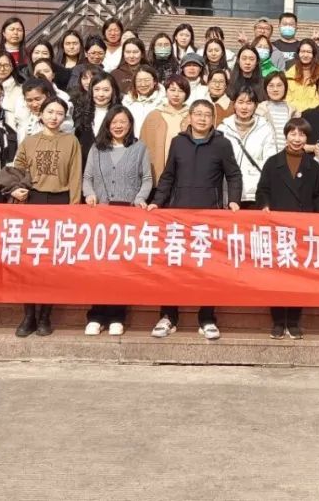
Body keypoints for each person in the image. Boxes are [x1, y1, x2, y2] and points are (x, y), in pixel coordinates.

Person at [147, 100, 242, 341]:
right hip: (178, 215)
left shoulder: (222, 144)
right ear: (189, 117)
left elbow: (233, 175)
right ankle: (168, 316)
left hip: (209, 216)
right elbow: (168, 175)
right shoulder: (178, 142)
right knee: (173, 267)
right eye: (197, 114)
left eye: (207, 115)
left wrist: (233, 200)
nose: (202, 118)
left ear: (213, 119)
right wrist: (157, 201)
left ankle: (207, 318)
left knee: (207, 269)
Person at [9, 97, 82, 338]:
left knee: (52, 263)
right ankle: (28, 315)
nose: (54, 117)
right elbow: (17, 168)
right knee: (30, 262)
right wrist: (15, 188)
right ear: (40, 114)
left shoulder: (71, 141)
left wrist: (74, 207)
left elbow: (75, 176)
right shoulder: (29, 141)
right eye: (50, 112)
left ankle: (45, 316)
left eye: (59, 113)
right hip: (34, 200)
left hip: (60, 202)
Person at [83, 106, 152, 336]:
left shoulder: (139, 148)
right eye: (114, 122)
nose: (118, 126)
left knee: (121, 268)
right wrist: (89, 194)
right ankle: (96, 315)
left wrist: (140, 198)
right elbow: (87, 177)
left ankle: (116, 315)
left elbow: (147, 179)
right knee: (99, 267)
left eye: (123, 121)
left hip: (127, 215)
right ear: (107, 124)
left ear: (130, 124)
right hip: (101, 214)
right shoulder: (97, 148)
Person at [256, 117, 319, 338]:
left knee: (299, 275)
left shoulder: (313, 166)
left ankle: (294, 321)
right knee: (276, 275)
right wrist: (265, 206)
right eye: (293, 134)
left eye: (302, 134)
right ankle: (278, 321)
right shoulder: (272, 162)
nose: (297, 139)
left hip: (303, 229)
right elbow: (262, 190)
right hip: (277, 228)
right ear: (286, 135)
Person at [219, 87, 278, 208]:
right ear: (234, 104)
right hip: (229, 193)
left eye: (249, 103)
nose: (244, 107)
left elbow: (270, 161)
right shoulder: (223, 129)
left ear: (255, 105)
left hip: (255, 193)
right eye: (240, 102)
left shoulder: (265, 129)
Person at [140, 75, 191, 184]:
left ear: (187, 94)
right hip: (161, 174)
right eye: (172, 90)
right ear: (166, 91)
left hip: (186, 175)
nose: (176, 94)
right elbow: (143, 145)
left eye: (181, 91)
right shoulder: (154, 115)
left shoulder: (192, 116)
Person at [74, 71, 121, 167]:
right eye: (97, 89)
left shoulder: (121, 114)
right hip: (86, 168)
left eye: (106, 90)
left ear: (113, 91)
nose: (101, 94)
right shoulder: (81, 114)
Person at [285, 39, 319, 114]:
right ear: (298, 53)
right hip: (292, 115)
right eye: (302, 51)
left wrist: (305, 113)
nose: (305, 55)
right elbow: (286, 98)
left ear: (314, 54)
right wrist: (297, 112)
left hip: (313, 115)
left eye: (309, 52)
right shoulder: (289, 75)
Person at [256, 71, 294, 150]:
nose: (275, 89)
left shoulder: (293, 111)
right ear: (266, 88)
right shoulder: (259, 110)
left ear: (285, 87)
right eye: (271, 86)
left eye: (279, 85)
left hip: (286, 155)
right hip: (265, 155)